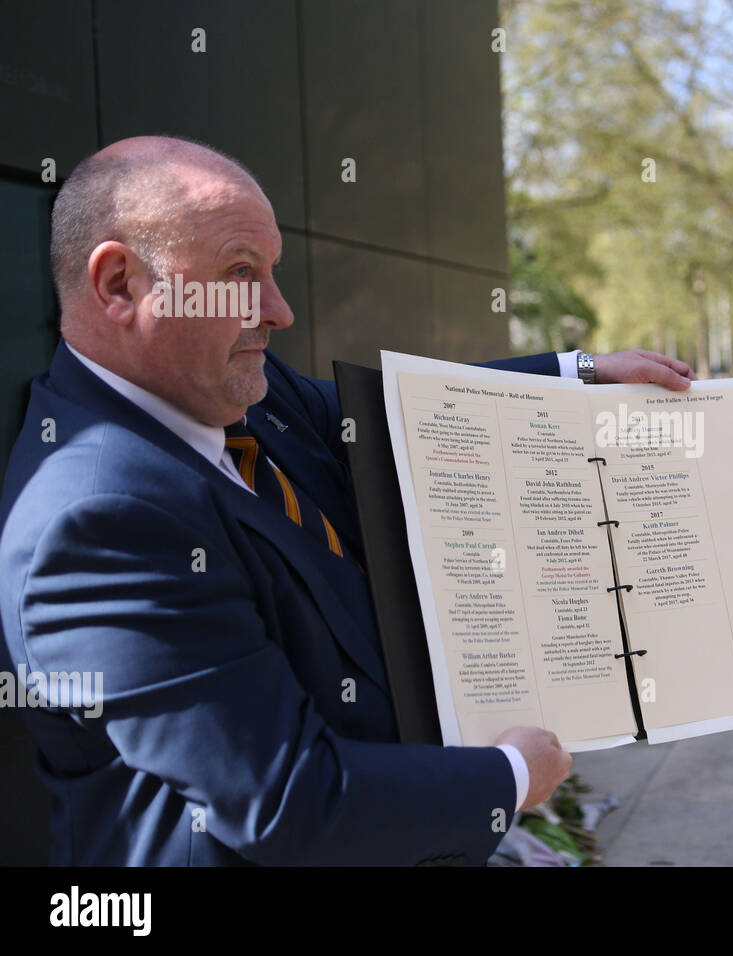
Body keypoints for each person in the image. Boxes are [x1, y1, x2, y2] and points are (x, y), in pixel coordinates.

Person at [0, 135, 697, 865]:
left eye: (272, 271)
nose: (279, 311)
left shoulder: (240, 397)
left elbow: (420, 414)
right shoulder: (98, 523)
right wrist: (514, 774)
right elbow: (289, 802)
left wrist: (583, 372)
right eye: (240, 273)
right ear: (118, 285)